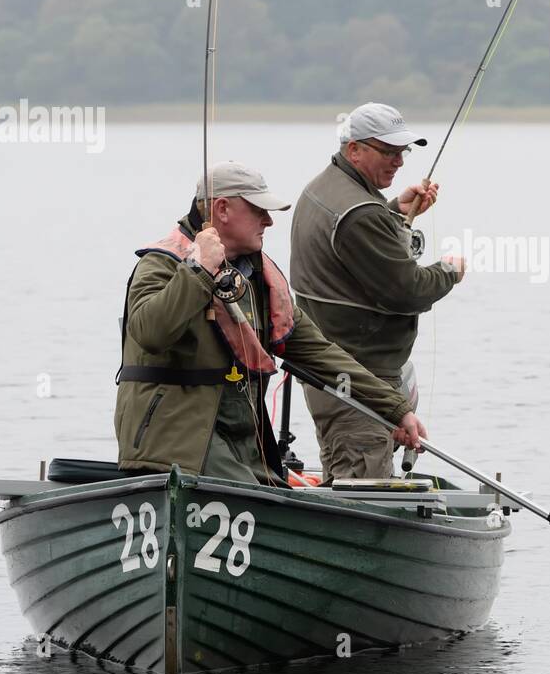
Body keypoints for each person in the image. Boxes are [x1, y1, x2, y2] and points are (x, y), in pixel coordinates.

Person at [115, 161, 425, 482]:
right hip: (174, 442)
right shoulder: (161, 265)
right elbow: (148, 333)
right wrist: (199, 271)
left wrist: (395, 408)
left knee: (274, 495)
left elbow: (320, 354)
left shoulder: (258, 278)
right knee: (253, 495)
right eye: (258, 210)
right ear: (222, 209)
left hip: (241, 443)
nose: (269, 221)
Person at [289, 103, 464, 479]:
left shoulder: (322, 188)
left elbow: (354, 249)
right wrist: (450, 271)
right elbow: (407, 289)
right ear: (354, 149)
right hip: (359, 379)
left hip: (333, 375)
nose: (398, 161)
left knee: (346, 483)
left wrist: (396, 211)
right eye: (388, 151)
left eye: (403, 152)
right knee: (361, 493)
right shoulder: (361, 212)